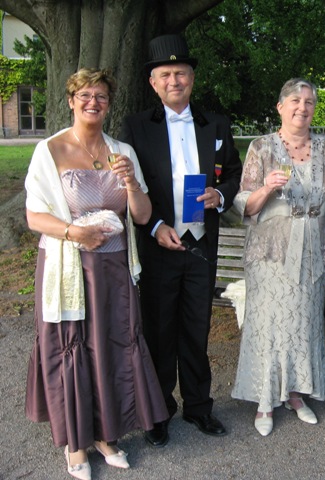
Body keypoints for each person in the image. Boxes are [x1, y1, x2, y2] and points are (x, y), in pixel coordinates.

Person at [24, 68, 168, 480]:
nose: (93, 103)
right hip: (70, 266)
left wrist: (132, 184)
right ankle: (75, 444)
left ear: (109, 103)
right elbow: (35, 216)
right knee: (74, 348)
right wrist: (75, 232)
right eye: (85, 95)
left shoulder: (121, 151)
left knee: (111, 347)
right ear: (71, 100)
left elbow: (141, 217)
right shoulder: (49, 150)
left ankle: (106, 435)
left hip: (115, 268)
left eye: (101, 96)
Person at [119, 34, 242, 447]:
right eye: (166, 74)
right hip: (159, 243)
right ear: (153, 82)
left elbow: (235, 175)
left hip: (202, 245)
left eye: (182, 73)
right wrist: (154, 226)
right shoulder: (135, 127)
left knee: (196, 327)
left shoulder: (216, 124)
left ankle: (199, 407)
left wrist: (220, 195)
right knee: (159, 330)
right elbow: (129, 187)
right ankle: (158, 412)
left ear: (192, 78)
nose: (175, 80)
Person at [231, 78, 325, 436]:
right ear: (280, 106)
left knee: (303, 324)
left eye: (309, 102)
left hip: (311, 255)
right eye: (294, 100)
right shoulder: (261, 147)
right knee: (269, 327)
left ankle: (294, 393)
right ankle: (264, 401)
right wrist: (266, 187)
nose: (302, 107)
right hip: (270, 255)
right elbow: (244, 204)